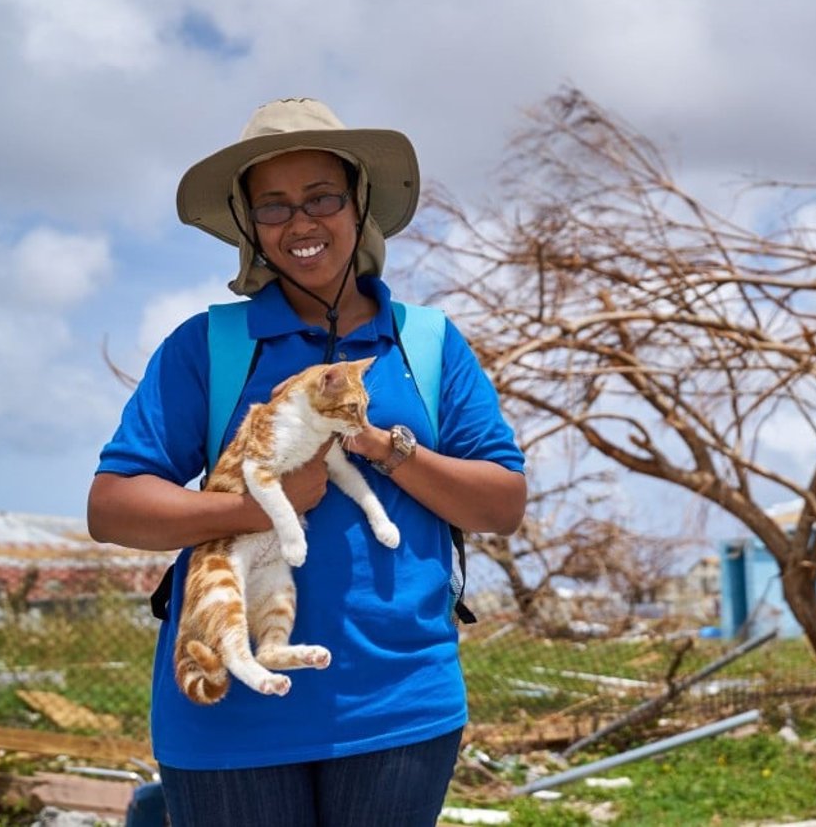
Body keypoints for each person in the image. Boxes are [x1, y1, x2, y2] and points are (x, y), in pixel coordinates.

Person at [88, 98, 527, 826]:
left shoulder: (430, 344)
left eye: (322, 196)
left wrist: (387, 449)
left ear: (359, 206)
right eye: (273, 206)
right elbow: (113, 505)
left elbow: (501, 505)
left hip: (401, 706)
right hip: (229, 710)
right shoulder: (209, 347)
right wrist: (266, 501)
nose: (300, 222)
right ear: (249, 226)